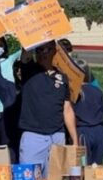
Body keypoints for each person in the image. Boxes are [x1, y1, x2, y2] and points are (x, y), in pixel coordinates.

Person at [18, 41, 78, 172]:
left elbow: (67, 109)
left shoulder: (62, 77)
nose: (42, 53)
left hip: (57, 136)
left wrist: (74, 140)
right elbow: (25, 54)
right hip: (33, 136)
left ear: (54, 51)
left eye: (46, 50)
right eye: (38, 50)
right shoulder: (29, 70)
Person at [73, 59, 103, 165]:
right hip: (99, 131)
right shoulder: (98, 91)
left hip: (83, 131)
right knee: (97, 167)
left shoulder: (74, 92)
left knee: (82, 166)